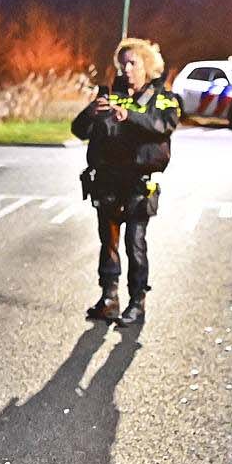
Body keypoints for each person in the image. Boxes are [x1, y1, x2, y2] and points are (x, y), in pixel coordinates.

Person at [71, 37, 179, 327]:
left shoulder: (163, 98)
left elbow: (161, 125)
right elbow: (79, 129)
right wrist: (93, 111)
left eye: (133, 63)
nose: (127, 69)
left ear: (147, 66)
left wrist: (128, 115)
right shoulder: (111, 95)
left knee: (135, 243)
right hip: (107, 181)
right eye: (123, 63)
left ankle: (137, 302)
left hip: (139, 183)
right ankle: (109, 298)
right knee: (108, 242)